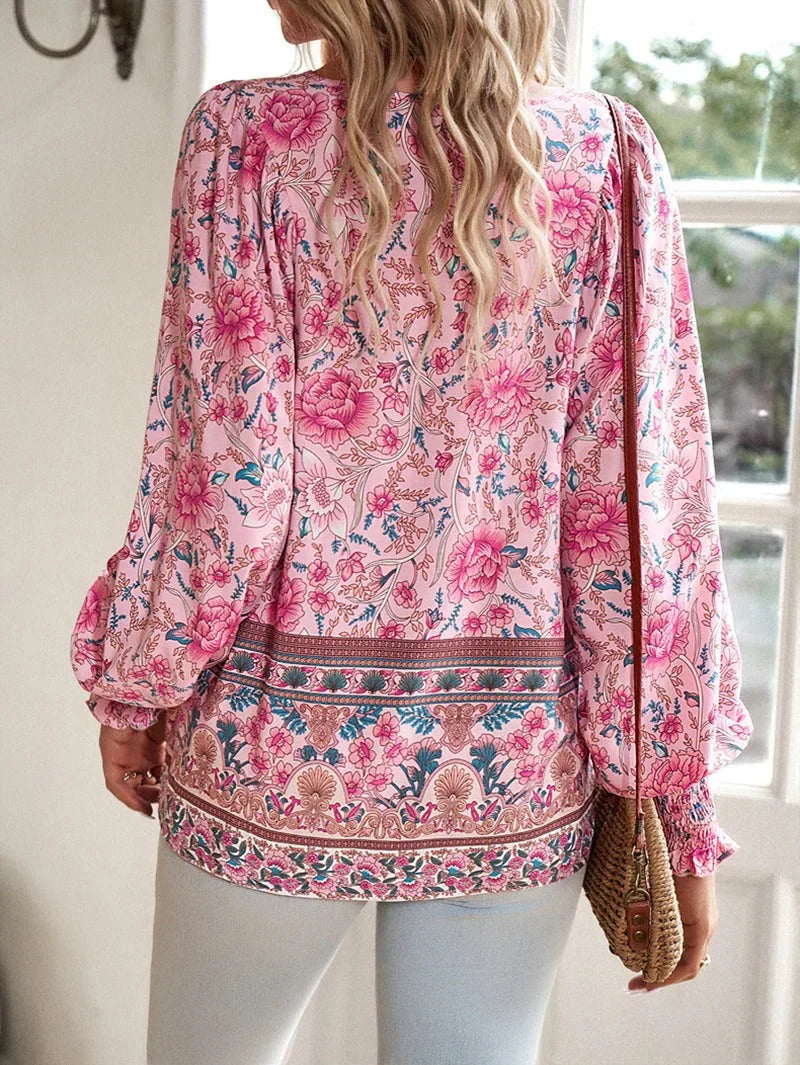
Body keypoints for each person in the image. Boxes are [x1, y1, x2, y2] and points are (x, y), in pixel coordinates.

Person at [68, 1, 754, 1063]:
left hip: (273, 752)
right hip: (511, 769)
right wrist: (676, 800)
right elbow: (639, 520)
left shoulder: (244, 139)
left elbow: (225, 484)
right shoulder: (609, 152)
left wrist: (137, 683)